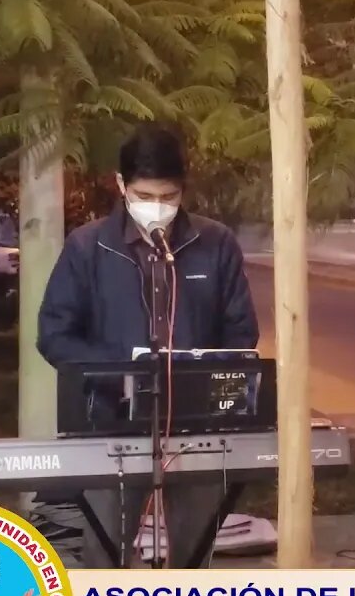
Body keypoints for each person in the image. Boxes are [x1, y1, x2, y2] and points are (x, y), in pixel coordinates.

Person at [36, 123, 259, 569]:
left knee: (193, 559)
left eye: (168, 197)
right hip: (110, 425)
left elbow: (241, 333)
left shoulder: (215, 245)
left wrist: (212, 385)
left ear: (184, 190)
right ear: (120, 185)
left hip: (199, 431)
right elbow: (55, 334)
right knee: (105, 555)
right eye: (144, 196)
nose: (156, 208)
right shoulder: (88, 247)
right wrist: (123, 374)